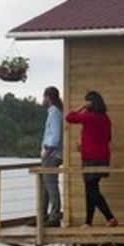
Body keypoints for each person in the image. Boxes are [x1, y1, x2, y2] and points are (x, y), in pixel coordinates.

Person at [65, 91, 117, 227]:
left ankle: (110, 217)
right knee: (91, 188)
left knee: (91, 190)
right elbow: (108, 138)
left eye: (87, 101)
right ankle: (88, 222)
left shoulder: (89, 116)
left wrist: (82, 106)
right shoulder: (105, 118)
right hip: (103, 157)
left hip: (91, 158)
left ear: (91, 103)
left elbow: (69, 118)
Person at [40, 86, 63, 226]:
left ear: (48, 98)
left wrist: (47, 151)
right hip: (52, 154)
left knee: (51, 185)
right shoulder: (55, 111)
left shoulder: (54, 112)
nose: (42, 100)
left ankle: (54, 217)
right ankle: (43, 215)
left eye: (43, 97)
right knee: (45, 185)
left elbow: (55, 135)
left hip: (52, 154)